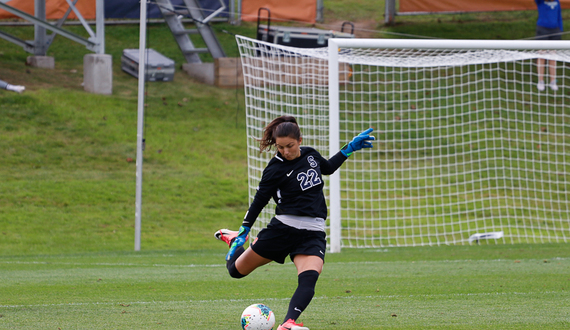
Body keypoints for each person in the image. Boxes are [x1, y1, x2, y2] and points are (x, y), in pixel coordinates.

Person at [215, 115, 374, 330]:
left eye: (289, 146)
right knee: (235, 271)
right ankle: (234, 239)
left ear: (300, 140)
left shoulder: (310, 155)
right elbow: (259, 201)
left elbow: (326, 168)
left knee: (309, 277)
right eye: (280, 147)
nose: (285, 151)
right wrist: (244, 229)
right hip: (282, 230)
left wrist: (348, 149)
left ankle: (287, 323)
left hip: (313, 232)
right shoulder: (274, 169)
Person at [535, 0, 563, 91]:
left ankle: (552, 81)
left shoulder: (557, 2)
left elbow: (559, 16)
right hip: (542, 29)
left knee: (553, 56)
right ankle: (541, 81)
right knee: (541, 55)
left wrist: (560, 30)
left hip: (555, 31)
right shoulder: (540, 2)